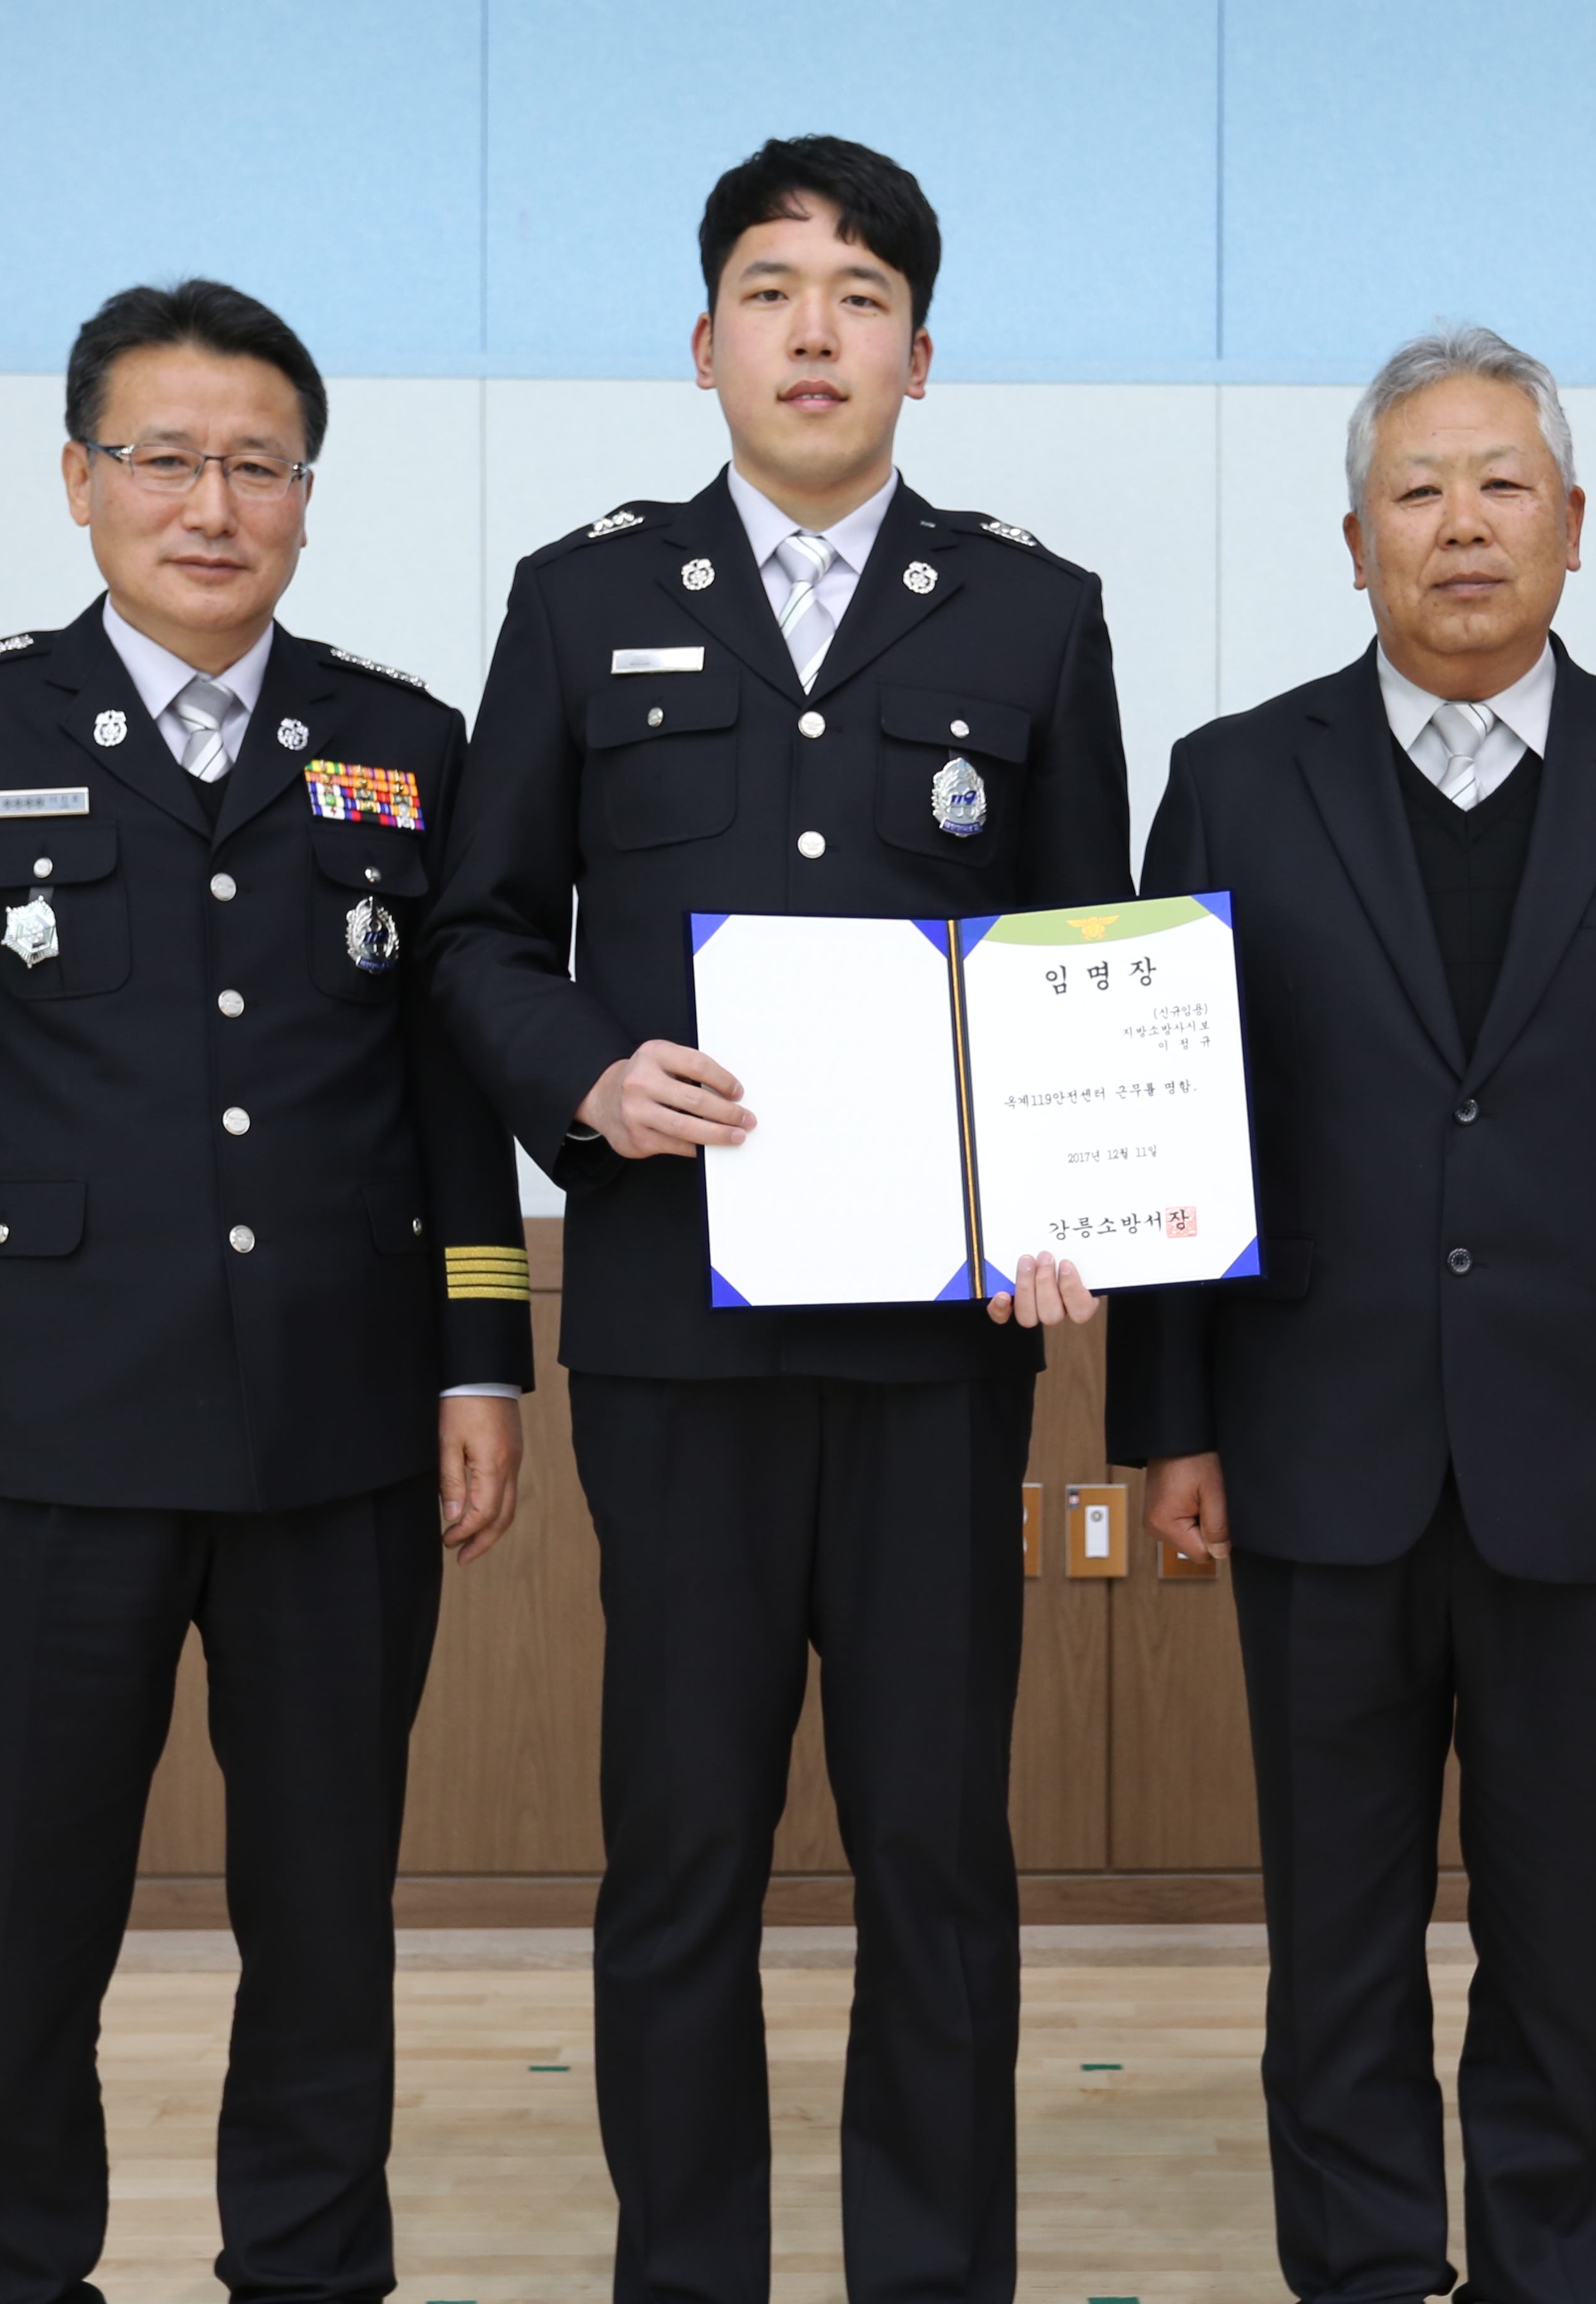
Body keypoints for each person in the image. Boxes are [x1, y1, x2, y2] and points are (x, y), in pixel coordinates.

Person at [426, 137, 1131, 2304]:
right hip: (678, 1340)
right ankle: (690, 2276)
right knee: (682, 1853)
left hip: (936, 1360)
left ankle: (931, 2275)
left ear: (922, 353)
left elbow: (1083, 962)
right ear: (704, 341)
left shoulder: (1033, 612)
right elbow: (475, 935)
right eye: (771, 290)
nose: (815, 331)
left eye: (861, 296)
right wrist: (587, 1077)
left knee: (936, 1856)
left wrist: (1069, 1195)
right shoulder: (581, 600)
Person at [0, 277, 531, 2304]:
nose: (211, 506)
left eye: (257, 466)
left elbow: (447, 1092)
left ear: (306, 493)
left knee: (327, 1920)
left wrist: (483, 1363)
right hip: (48, 1437)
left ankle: (308, 2269)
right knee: (28, 1917)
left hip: (340, 1431)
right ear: (80, 479)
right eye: (164, 459)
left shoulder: (402, 744)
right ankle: (6, 2274)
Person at [1104, 325, 1596, 2304]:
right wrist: (1170, 1420)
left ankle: (1547, 2271)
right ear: (1356, 542)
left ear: (1574, 524)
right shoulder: (1237, 782)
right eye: (1416, 491)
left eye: (1503, 484)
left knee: (1558, 1930)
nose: (1463, 524)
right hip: (1312, 1437)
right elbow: (1172, 1125)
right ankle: (1358, 2265)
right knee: (1332, 1928)